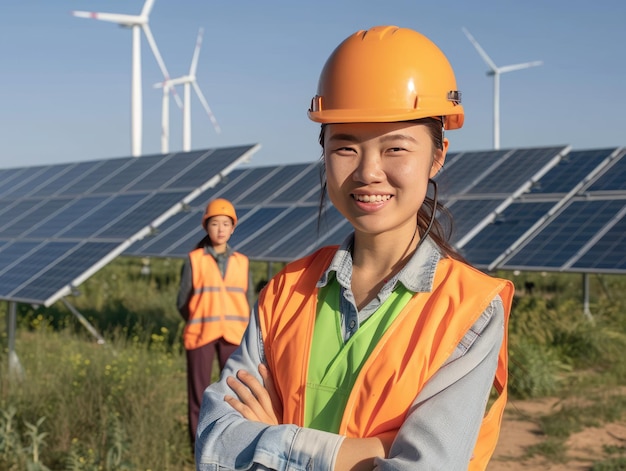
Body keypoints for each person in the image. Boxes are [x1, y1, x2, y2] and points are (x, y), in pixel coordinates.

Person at [195, 25, 515, 470]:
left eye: (395, 148)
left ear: (437, 155)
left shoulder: (471, 312)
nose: (368, 172)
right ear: (323, 151)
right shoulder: (285, 292)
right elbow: (215, 443)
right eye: (345, 147)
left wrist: (275, 441)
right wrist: (371, 452)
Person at [176, 197, 251, 450]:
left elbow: (247, 299)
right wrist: (199, 317)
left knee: (233, 394)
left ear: (233, 228)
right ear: (206, 227)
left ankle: (229, 445)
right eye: (215, 223)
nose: (220, 229)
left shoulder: (242, 261)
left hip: (233, 335)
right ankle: (197, 448)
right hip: (201, 334)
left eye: (225, 224)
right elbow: (182, 301)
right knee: (199, 394)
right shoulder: (194, 259)